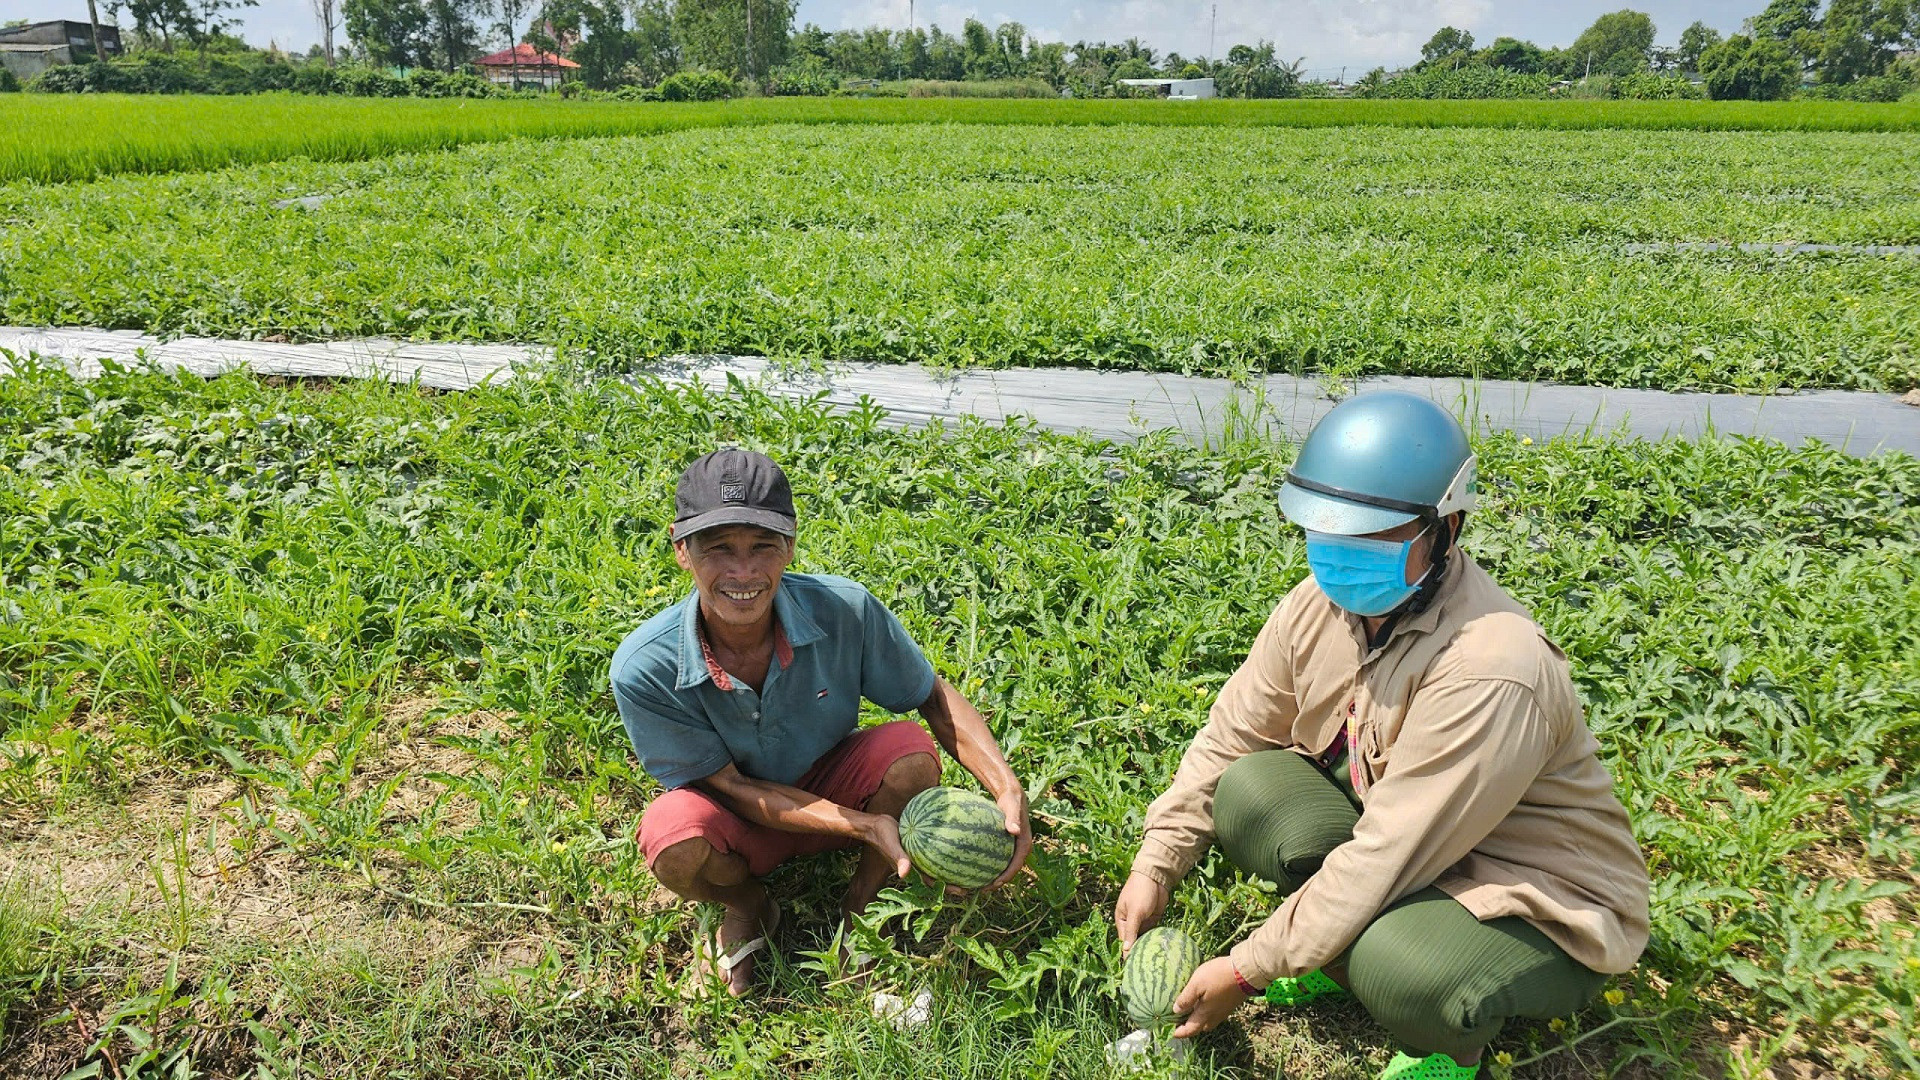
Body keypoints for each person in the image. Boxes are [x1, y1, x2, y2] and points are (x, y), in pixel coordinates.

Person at [1114, 392, 1650, 1079]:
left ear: (1447, 528)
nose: (1341, 553)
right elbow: (1233, 735)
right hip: (1413, 846)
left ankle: (1447, 1055)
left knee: (1399, 966)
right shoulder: (1318, 608)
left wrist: (1245, 970)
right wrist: (1154, 863)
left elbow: (1389, 853)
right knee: (1250, 790)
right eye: (1328, 530)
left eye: (1371, 535)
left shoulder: (1493, 665)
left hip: (1533, 894)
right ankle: (1333, 949)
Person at [610, 448, 1031, 997]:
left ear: (789, 545)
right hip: (739, 816)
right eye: (718, 549)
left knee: (908, 749)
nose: (743, 572)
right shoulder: (646, 666)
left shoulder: (844, 609)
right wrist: (862, 825)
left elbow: (930, 695)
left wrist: (1007, 786)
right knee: (672, 839)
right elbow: (732, 788)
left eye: (763, 546)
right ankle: (749, 905)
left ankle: (863, 904)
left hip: (833, 781)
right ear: (681, 549)